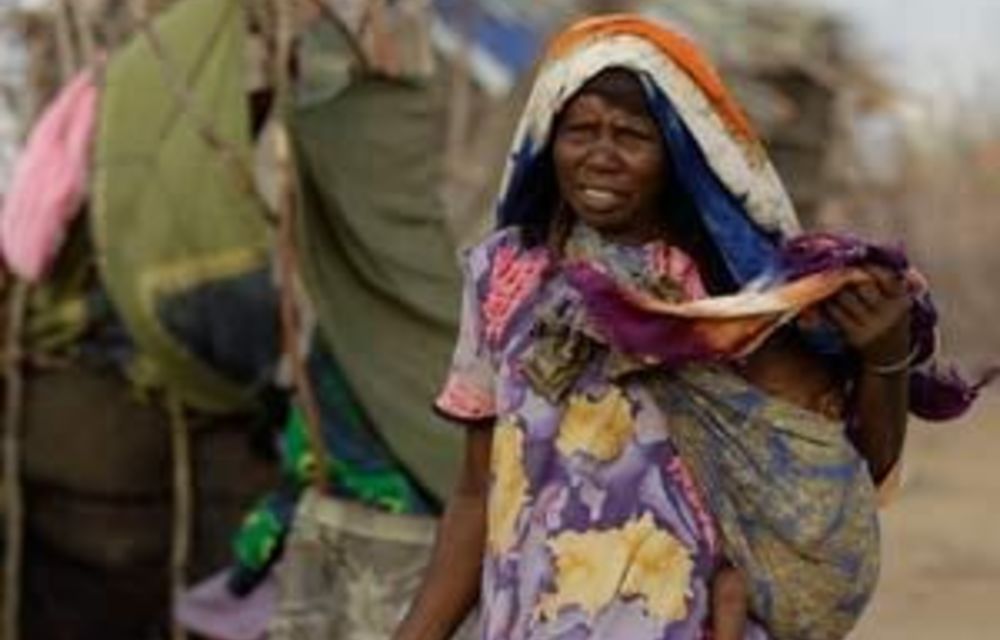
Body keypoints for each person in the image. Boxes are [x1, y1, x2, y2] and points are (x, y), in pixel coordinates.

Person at [395, 15, 911, 640]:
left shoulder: (725, 298)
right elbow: (476, 493)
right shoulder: (505, 276)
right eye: (580, 131)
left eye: (631, 136)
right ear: (547, 141)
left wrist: (886, 358)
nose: (601, 156)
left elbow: (831, 482)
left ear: (675, 151)